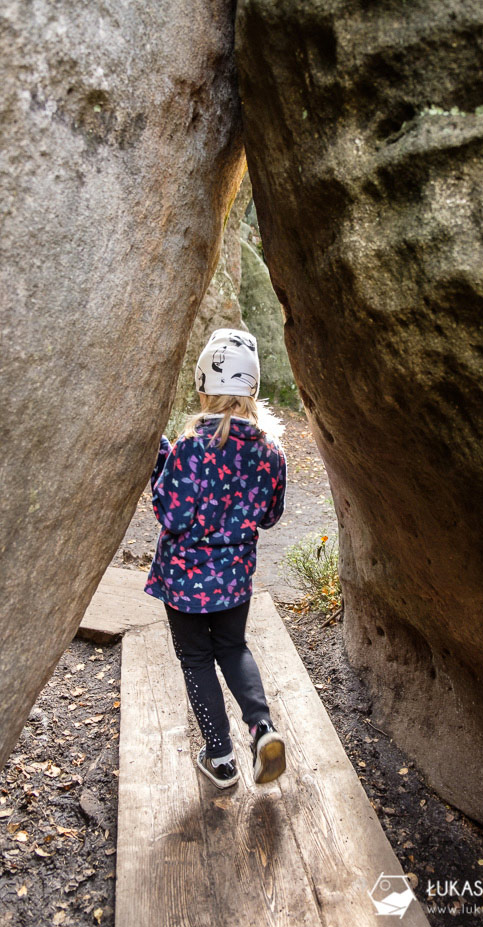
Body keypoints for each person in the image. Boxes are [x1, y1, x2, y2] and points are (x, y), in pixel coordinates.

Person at [145, 328, 289, 789]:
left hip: (186, 580)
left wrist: (160, 465)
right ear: (252, 388)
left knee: (195, 658)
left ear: (204, 386)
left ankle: (222, 758)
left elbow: (172, 512)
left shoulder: (191, 446)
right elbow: (269, 516)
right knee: (233, 648)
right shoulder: (270, 451)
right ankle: (262, 728)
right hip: (234, 580)